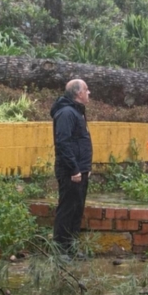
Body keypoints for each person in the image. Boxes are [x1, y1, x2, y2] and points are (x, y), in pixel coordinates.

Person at [50, 79, 93, 256]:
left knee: (77, 209)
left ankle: (71, 247)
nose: (89, 92)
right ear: (78, 93)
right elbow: (63, 143)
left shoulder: (77, 112)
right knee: (67, 209)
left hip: (80, 170)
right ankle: (60, 249)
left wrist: (85, 168)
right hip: (70, 171)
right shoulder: (67, 113)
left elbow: (80, 142)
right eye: (86, 89)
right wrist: (74, 169)